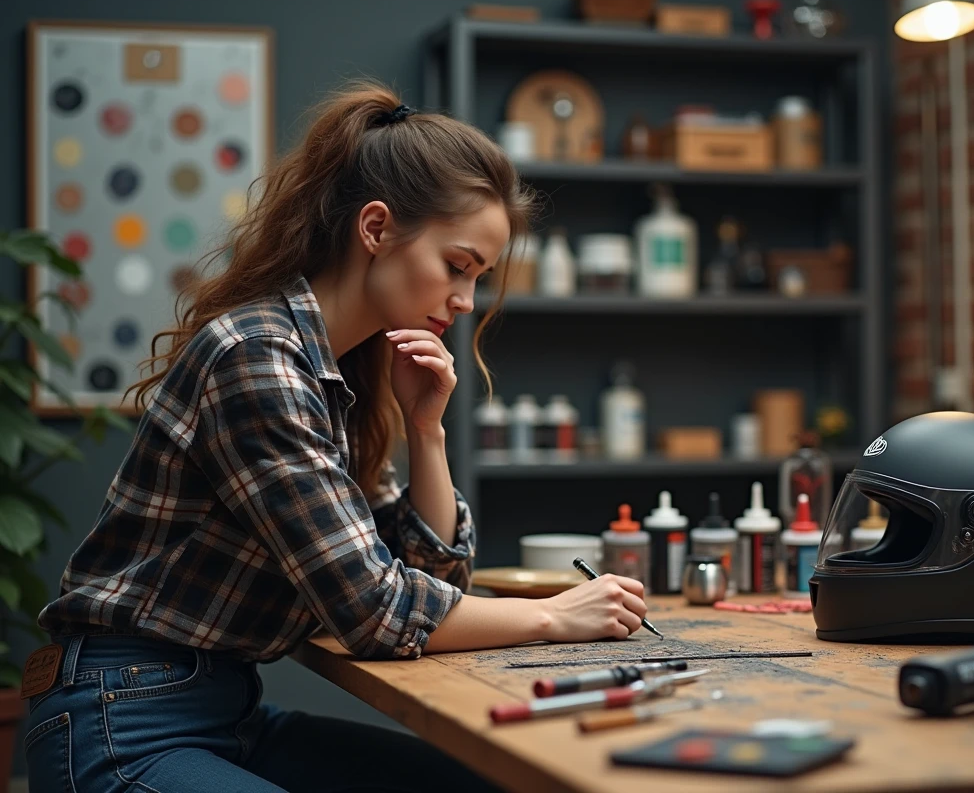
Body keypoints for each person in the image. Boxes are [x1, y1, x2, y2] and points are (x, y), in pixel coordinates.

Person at [24, 81, 649, 793]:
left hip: (225, 714)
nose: (466, 301)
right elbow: (378, 613)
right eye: (457, 266)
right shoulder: (256, 357)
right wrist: (551, 619)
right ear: (377, 229)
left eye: (478, 277)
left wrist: (427, 431)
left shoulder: (340, 374)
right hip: (122, 722)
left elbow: (433, 585)